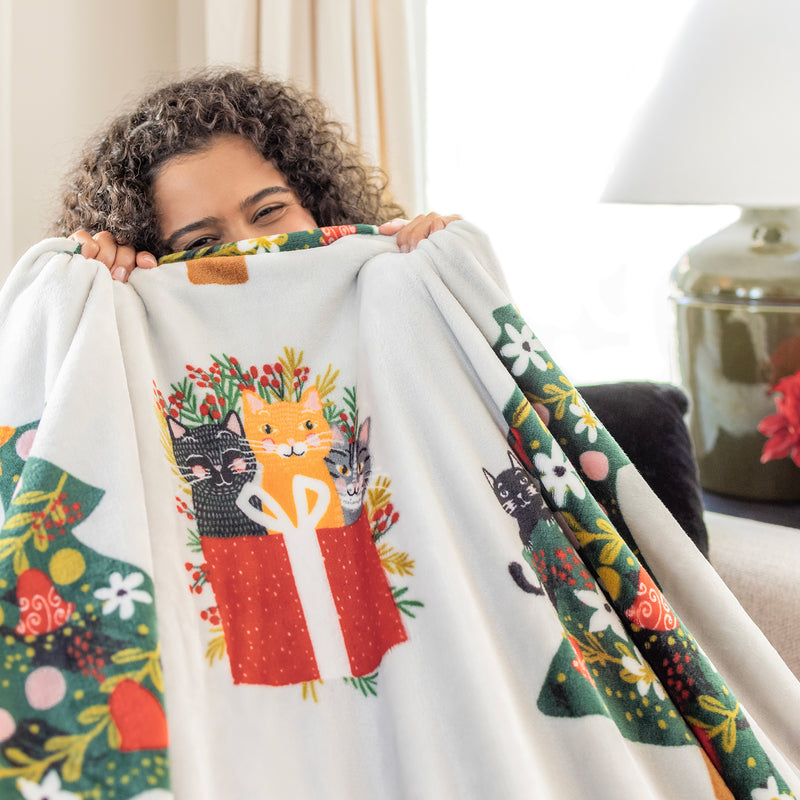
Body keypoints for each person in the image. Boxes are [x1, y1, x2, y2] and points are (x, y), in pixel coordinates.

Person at [51, 68, 459, 282]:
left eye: (267, 211)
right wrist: (88, 291)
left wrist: (453, 277)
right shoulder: (134, 355)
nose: (253, 249)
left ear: (316, 201)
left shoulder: (401, 287)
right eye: (203, 241)